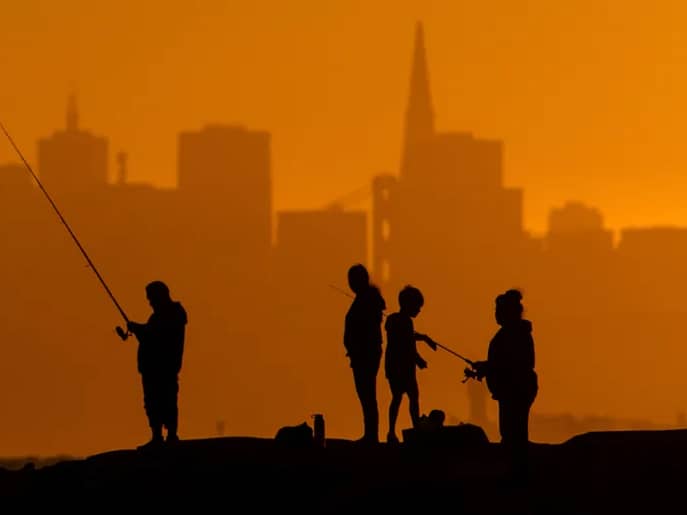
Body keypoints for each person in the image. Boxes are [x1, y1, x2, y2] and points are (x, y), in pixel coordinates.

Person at [470, 289, 538, 478]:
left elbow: (514, 364)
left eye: (498, 311)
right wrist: (487, 368)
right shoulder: (513, 333)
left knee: (513, 433)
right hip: (514, 389)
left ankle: (518, 473)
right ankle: (517, 471)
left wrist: (488, 367)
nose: (495, 314)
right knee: (513, 432)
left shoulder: (514, 334)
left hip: (516, 389)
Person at [127, 281, 188, 450]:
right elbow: (150, 333)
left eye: (151, 298)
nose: (150, 302)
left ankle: (168, 437)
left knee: (164, 400)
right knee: (154, 402)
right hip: (154, 368)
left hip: (163, 368)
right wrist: (138, 329)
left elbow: (154, 336)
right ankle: (158, 437)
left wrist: (137, 329)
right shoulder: (163, 316)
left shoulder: (171, 315)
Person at [384, 285, 437, 444]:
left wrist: (425, 338)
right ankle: (415, 429)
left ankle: (391, 431)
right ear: (409, 305)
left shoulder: (394, 320)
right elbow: (407, 344)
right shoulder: (405, 322)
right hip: (404, 368)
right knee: (412, 398)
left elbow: (408, 337)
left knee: (397, 398)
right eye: (417, 306)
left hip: (393, 367)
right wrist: (419, 360)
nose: (419, 310)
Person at [343, 264, 386, 444]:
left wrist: (357, 349)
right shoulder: (368, 300)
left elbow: (365, 331)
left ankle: (371, 435)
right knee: (367, 395)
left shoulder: (365, 302)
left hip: (365, 355)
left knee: (367, 395)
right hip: (363, 354)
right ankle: (370, 433)